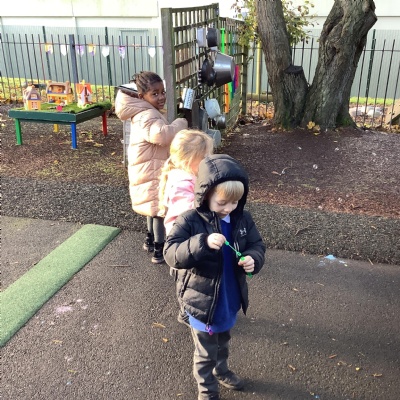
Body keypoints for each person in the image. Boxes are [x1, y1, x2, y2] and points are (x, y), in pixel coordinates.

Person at [164, 154, 266, 400]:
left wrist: (253, 259)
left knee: (223, 341)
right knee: (205, 352)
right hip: (202, 301)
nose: (228, 208)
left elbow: (257, 245)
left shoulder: (242, 219)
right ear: (206, 194)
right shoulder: (190, 220)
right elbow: (171, 253)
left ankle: (221, 370)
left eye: (235, 202)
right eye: (222, 203)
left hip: (229, 298)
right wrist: (202, 242)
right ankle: (207, 391)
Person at [115, 71, 188, 264]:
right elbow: (161, 135)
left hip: (148, 165)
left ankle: (150, 239)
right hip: (151, 169)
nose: (161, 97)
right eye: (154, 94)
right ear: (142, 96)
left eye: (162, 92)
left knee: (151, 207)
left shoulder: (143, 111)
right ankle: (159, 249)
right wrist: (180, 124)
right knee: (158, 209)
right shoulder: (147, 114)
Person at [158, 129, 214, 236]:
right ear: (188, 162)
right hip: (184, 238)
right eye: (204, 157)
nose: (209, 160)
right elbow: (191, 212)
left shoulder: (192, 178)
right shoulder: (182, 184)